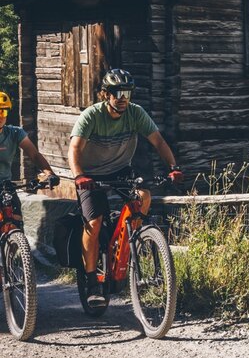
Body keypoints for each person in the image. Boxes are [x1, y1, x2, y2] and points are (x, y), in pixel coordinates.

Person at [68, 69, 182, 307]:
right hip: (90, 175)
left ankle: (132, 243)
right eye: (117, 93)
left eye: (127, 93)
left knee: (143, 196)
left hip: (120, 169)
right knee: (94, 223)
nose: (122, 98)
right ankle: (92, 281)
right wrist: (79, 176)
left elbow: (158, 141)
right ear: (105, 94)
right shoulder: (91, 116)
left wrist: (173, 167)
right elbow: (75, 149)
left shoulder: (135, 113)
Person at [0, 90, 60, 218]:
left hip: (5, 188)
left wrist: (49, 173)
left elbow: (35, 155)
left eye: (3, 112)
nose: (0, 116)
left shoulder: (14, 133)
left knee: (16, 220)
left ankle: (15, 231)